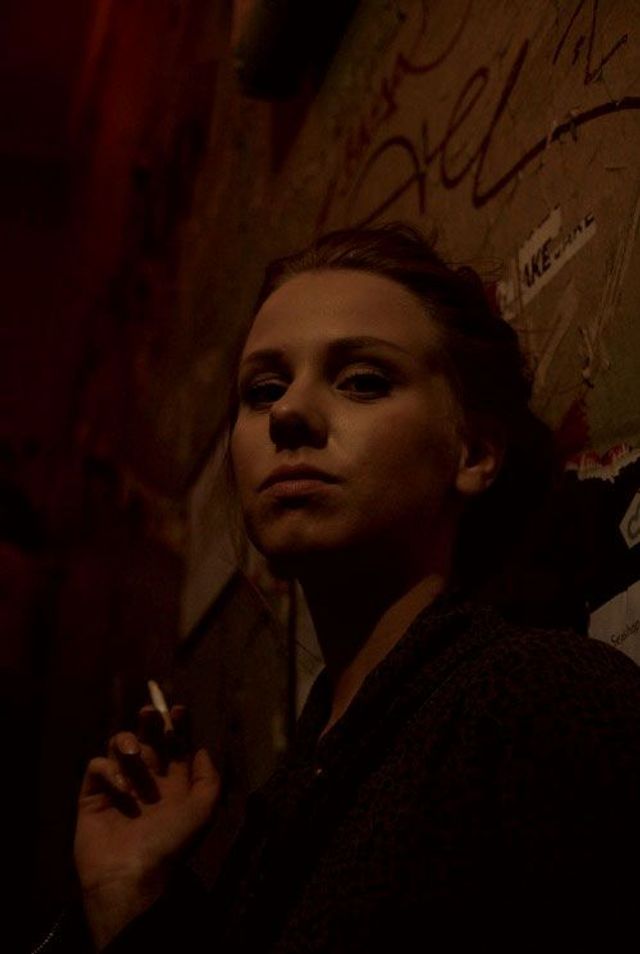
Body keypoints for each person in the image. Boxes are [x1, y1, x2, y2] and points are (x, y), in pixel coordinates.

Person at [39, 224, 640, 953]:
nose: (287, 413)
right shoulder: (294, 798)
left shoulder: (539, 702)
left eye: (362, 380)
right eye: (262, 390)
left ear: (474, 452)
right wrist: (130, 890)